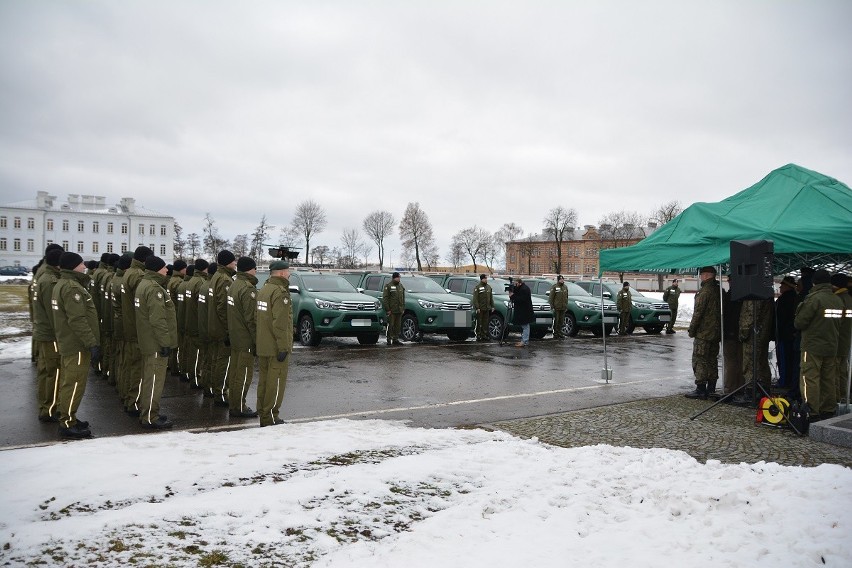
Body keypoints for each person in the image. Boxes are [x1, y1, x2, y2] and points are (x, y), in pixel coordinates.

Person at [52, 252, 100, 439]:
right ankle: (67, 422)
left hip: (68, 341)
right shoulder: (72, 288)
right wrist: (91, 343)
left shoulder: (61, 284)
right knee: (74, 383)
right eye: (81, 264)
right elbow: (77, 320)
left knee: (69, 382)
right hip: (77, 344)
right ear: (73, 266)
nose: (84, 267)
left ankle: (69, 415)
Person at [794, 269, 843, 421]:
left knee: (810, 378)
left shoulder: (814, 299)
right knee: (828, 378)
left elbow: (799, 322)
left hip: (813, 346)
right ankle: (828, 410)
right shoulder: (837, 300)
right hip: (831, 346)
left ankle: (812, 411)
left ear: (814, 282)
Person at [134, 255, 177, 429]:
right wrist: (165, 342)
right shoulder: (154, 289)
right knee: (154, 381)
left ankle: (148, 412)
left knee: (149, 379)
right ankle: (150, 416)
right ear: (156, 269)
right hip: (155, 343)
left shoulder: (144, 285)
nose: (167, 270)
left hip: (148, 341)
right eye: (164, 267)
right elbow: (158, 319)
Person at [255, 260, 293, 427]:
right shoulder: (280, 292)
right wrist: (283, 347)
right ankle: (271, 416)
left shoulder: (264, 289)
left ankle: (263, 413)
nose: (289, 274)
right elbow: (280, 324)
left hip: (263, 344)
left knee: (264, 381)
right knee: (275, 383)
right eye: (288, 271)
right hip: (275, 346)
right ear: (282, 273)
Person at [120, 245, 153, 416]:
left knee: (131, 365)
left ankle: (129, 398)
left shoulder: (129, 273)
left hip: (130, 326)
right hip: (137, 328)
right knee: (138, 368)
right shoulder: (138, 275)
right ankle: (134, 402)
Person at [32, 246, 64, 422]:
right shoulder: (50, 280)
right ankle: (50, 408)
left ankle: (46, 406)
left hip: (43, 331)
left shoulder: (43, 274)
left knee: (46, 370)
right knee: (54, 371)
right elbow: (54, 312)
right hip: (51, 334)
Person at [227, 256, 259, 418]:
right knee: (244, 374)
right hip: (245, 338)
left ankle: (234, 403)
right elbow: (252, 319)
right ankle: (239, 406)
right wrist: (257, 342)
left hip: (235, 336)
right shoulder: (248, 289)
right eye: (255, 269)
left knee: (235, 373)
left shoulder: (234, 285)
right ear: (250, 270)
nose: (256, 272)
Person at [686, 266, 721, 399]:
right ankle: (711, 388)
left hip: (703, 333)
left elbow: (698, 313)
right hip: (715, 333)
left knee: (700, 360)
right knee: (712, 360)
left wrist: (692, 330)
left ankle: (700, 389)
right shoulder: (719, 290)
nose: (700, 277)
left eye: (701, 275)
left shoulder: (704, 292)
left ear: (706, 275)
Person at [208, 251, 235, 406]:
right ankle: (221, 393)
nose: (235, 264)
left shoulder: (216, 277)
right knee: (223, 362)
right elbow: (223, 308)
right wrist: (228, 330)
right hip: (221, 328)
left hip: (214, 326)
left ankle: (216, 390)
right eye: (233, 261)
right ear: (227, 263)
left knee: (216, 360)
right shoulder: (224, 280)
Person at [739, 297, 774, 393]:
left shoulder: (754, 293)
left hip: (753, 335)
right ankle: (763, 388)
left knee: (751, 362)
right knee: (761, 361)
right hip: (762, 332)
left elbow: (751, 314)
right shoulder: (765, 292)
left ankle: (751, 391)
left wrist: (743, 333)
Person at [184, 259, 209, 389]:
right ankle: (195, 379)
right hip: (197, 323)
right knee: (197, 354)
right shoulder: (200, 283)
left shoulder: (190, 281)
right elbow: (202, 306)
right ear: (205, 269)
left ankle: (191, 375)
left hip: (190, 320)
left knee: (192, 352)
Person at [775, 276, 799, 393]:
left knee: (784, 360)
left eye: (782, 285)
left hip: (785, 334)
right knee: (789, 359)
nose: (780, 287)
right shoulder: (793, 297)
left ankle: (784, 381)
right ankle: (786, 380)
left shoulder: (786, 299)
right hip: (789, 333)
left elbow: (781, 318)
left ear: (787, 286)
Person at [831, 273, 851, 404]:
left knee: (836, 372)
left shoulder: (838, 300)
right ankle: (844, 397)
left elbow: (834, 322)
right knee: (843, 371)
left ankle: (837, 399)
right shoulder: (849, 298)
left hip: (837, 341)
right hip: (846, 340)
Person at [721, 284, 744, 397]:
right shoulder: (745, 294)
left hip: (730, 333)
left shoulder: (729, 296)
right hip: (740, 333)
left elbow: (725, 314)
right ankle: (740, 386)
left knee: (730, 361)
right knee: (740, 361)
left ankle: (729, 387)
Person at [167, 259, 187, 377]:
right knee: (178, 344)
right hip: (177, 315)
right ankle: (176, 367)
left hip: (172, 315)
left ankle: (172, 365)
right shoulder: (178, 282)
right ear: (181, 269)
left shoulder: (171, 281)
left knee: (173, 343)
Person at [175, 264, 195, 382]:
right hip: (189, 322)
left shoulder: (182, 285)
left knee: (182, 348)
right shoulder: (187, 284)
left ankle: (182, 370)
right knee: (190, 351)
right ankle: (188, 373)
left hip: (181, 319)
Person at [509, 276, 534, 347]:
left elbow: (521, 299)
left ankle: (524, 341)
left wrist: (513, 296)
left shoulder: (524, 289)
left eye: (516, 284)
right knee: (525, 326)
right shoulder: (522, 288)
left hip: (525, 311)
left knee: (525, 326)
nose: (515, 285)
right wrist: (512, 290)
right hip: (523, 311)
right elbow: (517, 294)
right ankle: (524, 340)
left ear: (519, 283)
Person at [382, 272, 405, 345]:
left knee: (397, 326)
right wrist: (388, 309)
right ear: (394, 277)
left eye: (399, 277)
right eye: (398, 277)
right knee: (390, 325)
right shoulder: (388, 286)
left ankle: (396, 339)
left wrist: (403, 308)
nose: (399, 278)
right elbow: (385, 298)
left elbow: (403, 298)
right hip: (392, 310)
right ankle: (389, 339)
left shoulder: (401, 286)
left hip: (399, 310)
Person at [472, 274, 494, 341]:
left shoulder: (489, 287)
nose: (486, 280)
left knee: (485, 322)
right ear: (481, 279)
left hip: (487, 308)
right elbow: (475, 298)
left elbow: (491, 297)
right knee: (479, 322)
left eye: (486, 278)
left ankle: (484, 334)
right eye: (485, 278)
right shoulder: (477, 287)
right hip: (480, 308)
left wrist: (492, 306)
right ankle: (478, 334)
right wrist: (477, 307)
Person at [548, 275, 569, 340]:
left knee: (561, 321)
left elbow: (566, 297)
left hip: (563, 307)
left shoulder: (565, 287)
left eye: (563, 279)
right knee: (556, 321)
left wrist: (566, 305)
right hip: (556, 307)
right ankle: (556, 333)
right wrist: (552, 306)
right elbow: (551, 297)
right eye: (560, 279)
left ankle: (560, 332)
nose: (562, 280)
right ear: (558, 280)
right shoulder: (555, 287)